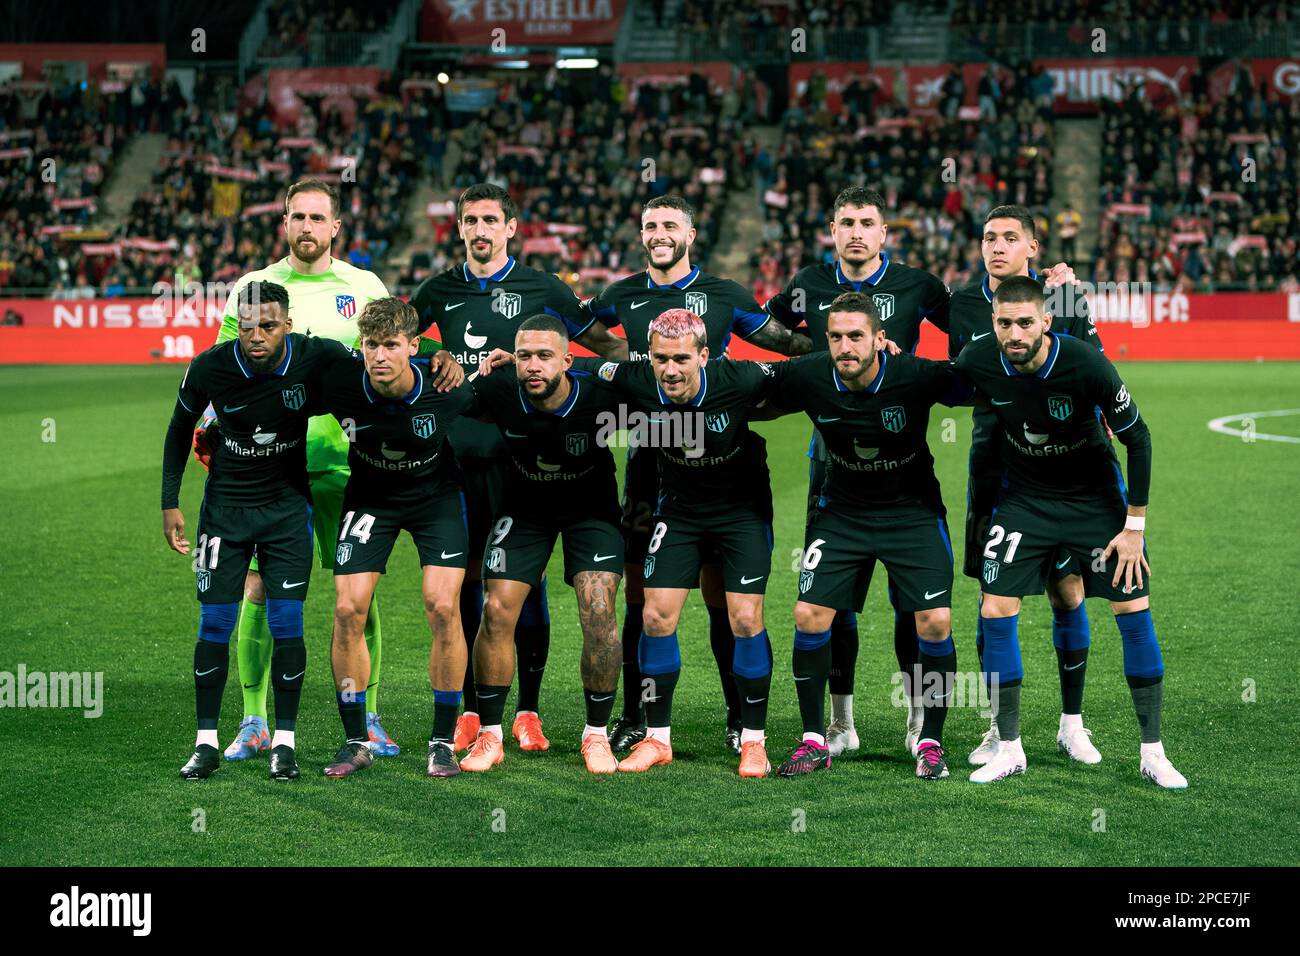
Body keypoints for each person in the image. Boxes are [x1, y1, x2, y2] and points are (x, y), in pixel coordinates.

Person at [201, 179, 458, 763]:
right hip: (274, 469)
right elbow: (221, 367)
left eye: (318, 217)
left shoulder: (364, 286)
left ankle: (367, 718)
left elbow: (398, 353)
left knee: (356, 599)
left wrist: (443, 358)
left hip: (352, 466)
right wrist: (212, 420)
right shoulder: (255, 288)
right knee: (260, 589)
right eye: (298, 216)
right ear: (284, 222)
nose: (307, 227)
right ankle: (254, 719)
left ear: (337, 226)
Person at [580, 194, 811, 755]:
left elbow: (779, 346)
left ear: (690, 234)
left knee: (721, 598)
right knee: (643, 597)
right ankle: (638, 717)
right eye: (650, 225)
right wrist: (622, 356)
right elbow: (583, 329)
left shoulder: (726, 295)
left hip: (722, 461)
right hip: (651, 464)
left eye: (669, 225)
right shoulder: (623, 294)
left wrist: (836, 351)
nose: (659, 233)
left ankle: (740, 718)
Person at [410, 183, 628, 755]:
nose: (480, 230)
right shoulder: (438, 290)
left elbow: (604, 348)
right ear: (458, 228)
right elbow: (398, 348)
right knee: (467, 585)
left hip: (521, 462)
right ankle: (467, 713)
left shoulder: (546, 288)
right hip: (456, 460)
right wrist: (429, 354)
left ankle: (527, 710)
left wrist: (622, 376)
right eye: (470, 221)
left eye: (490, 220)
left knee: (520, 588)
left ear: (511, 228)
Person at [953, 276, 1187, 789]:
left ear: (1045, 322)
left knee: (1131, 609)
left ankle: (1152, 752)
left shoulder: (1085, 363)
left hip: (1094, 502)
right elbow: (931, 384)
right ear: (993, 322)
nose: (1013, 333)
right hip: (1025, 502)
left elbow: (1138, 439)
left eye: (1023, 323)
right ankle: (1009, 747)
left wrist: (1133, 527)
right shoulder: (979, 359)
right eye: (1003, 323)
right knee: (995, 607)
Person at [764, 293, 968, 780]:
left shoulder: (915, 375)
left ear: (880, 339)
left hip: (912, 514)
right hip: (843, 515)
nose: (845, 346)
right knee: (810, 613)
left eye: (856, 336)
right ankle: (816, 737)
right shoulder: (811, 374)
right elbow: (747, 384)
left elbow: (981, 377)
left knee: (935, 621)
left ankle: (931, 741)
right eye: (835, 336)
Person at [162, 281, 354, 781]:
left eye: (268, 326)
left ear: (287, 324)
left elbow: (384, 364)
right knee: (215, 625)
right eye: (247, 327)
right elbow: (179, 429)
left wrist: (439, 359)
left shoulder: (316, 357)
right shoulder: (211, 366)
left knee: (288, 625)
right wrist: (169, 503)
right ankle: (205, 743)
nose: (257, 336)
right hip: (224, 513)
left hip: (287, 513)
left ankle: (284, 744)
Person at [576, 309, 781, 777]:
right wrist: (510, 360)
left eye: (682, 359)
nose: (670, 369)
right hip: (679, 511)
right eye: (661, 359)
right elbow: (582, 366)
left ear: (704, 356)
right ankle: (657, 738)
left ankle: (754, 740)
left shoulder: (740, 378)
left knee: (745, 618)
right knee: (654, 614)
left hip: (741, 512)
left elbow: (801, 376)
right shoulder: (637, 379)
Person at [949, 204, 1104, 768]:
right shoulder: (963, 303)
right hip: (993, 467)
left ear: (1032, 248)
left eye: (1010, 238)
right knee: (992, 598)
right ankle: (997, 728)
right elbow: (957, 380)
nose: (996, 247)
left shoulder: (1060, 297)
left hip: (1060, 474)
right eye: (988, 237)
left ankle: (1072, 724)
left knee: (1069, 591)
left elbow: (1097, 373)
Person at [312, 298, 474, 779]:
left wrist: (462, 360)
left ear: (413, 346)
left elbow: (508, 400)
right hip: (370, 498)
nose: (379, 356)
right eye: (370, 345)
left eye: (390, 345)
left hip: (435, 499)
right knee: (346, 610)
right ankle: (356, 740)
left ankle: (442, 742)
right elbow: (287, 370)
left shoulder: (447, 388)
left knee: (443, 606)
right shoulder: (342, 380)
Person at [463, 315, 626, 774]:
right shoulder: (497, 389)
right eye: (524, 356)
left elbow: (653, 386)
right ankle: (491, 735)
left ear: (568, 360)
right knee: (495, 609)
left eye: (545, 356)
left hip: (590, 510)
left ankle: (596, 734)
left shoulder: (601, 395)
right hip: (525, 509)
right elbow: (440, 396)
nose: (533, 365)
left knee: (598, 608)